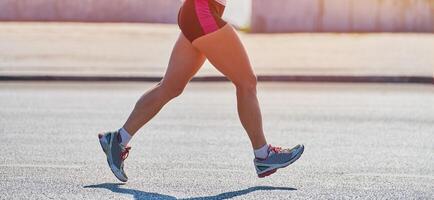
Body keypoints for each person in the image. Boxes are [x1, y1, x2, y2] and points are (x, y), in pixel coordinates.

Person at [98, 0, 304, 182]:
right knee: (247, 82)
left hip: (196, 12)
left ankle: (118, 140)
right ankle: (263, 156)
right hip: (201, 11)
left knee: (170, 87)